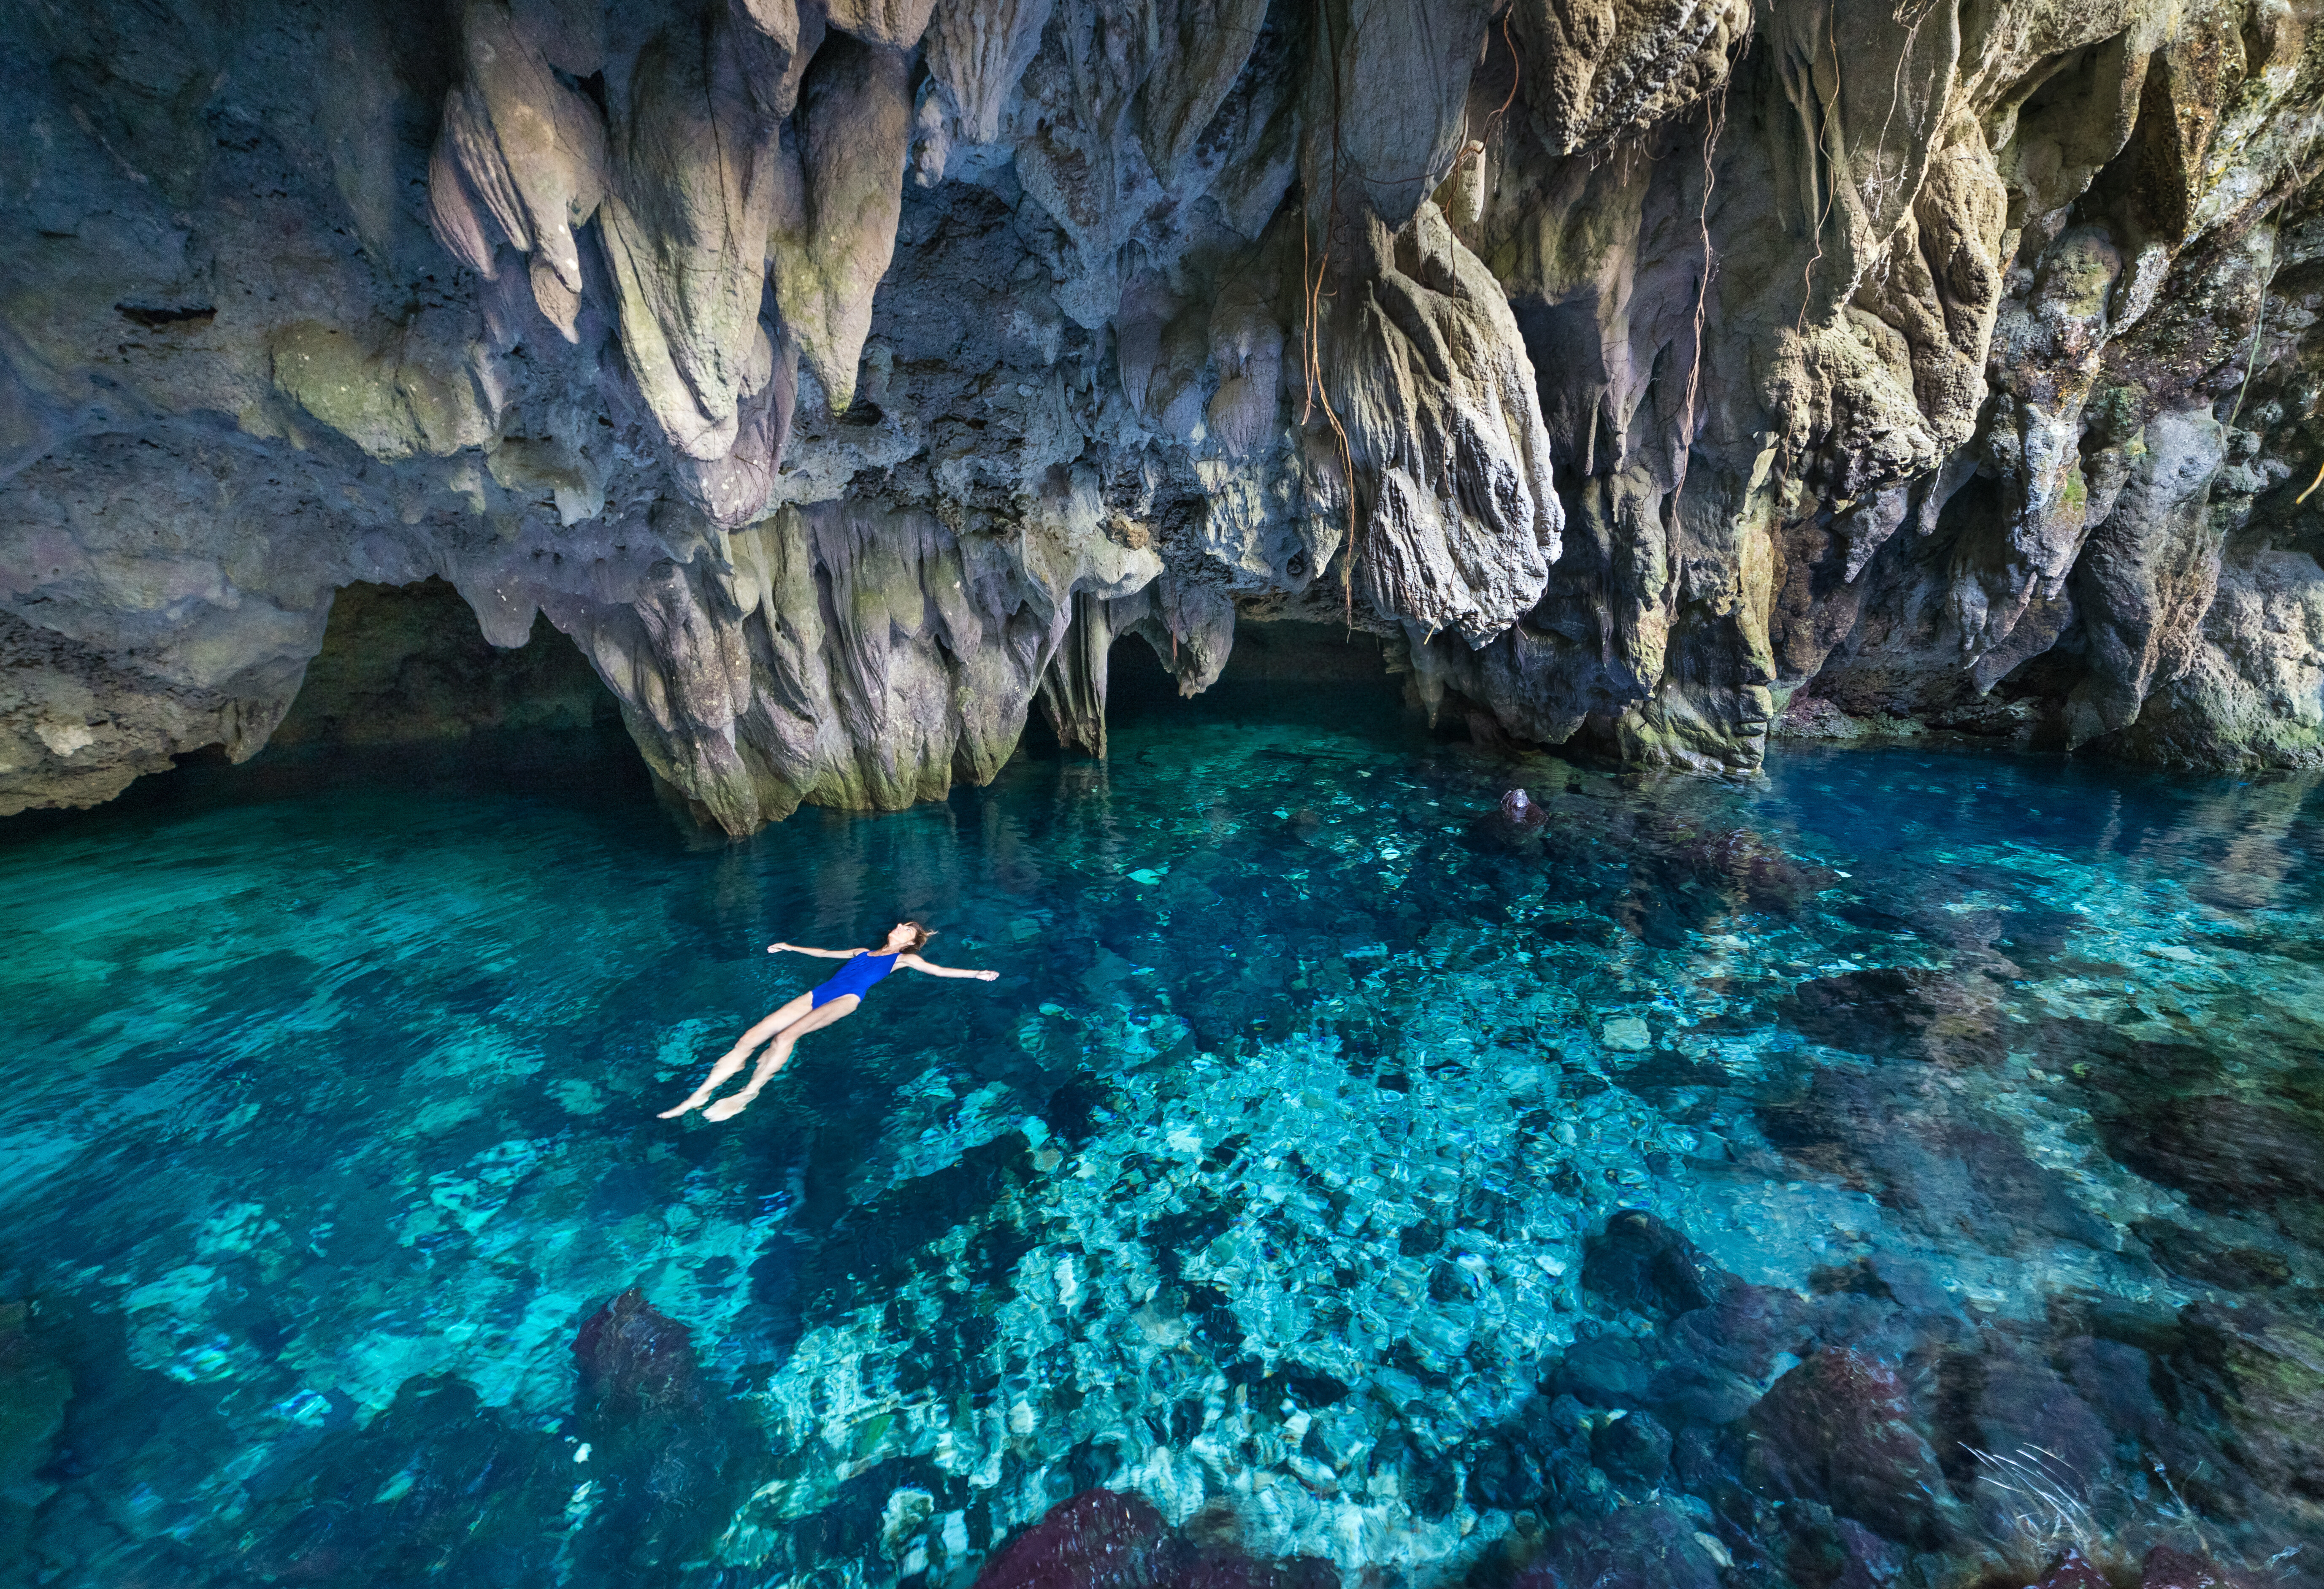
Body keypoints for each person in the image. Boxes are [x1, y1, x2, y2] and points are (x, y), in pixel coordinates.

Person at [658, 921, 998, 1121]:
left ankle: (749, 1093)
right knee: (749, 1038)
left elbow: (938, 971)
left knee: (784, 1038)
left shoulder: (904, 959)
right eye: (899, 925)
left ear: (910, 942)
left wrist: (976, 973)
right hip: (820, 992)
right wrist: (789, 947)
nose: (898, 928)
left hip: (846, 999)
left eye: (905, 929)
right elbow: (823, 954)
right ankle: (699, 1095)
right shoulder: (862, 952)